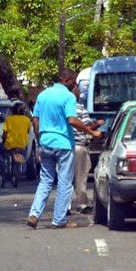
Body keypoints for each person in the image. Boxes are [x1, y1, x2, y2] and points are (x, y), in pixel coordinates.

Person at [27, 69, 102, 229]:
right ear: (67, 80)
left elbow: (35, 121)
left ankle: (34, 214)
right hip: (63, 144)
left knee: (46, 180)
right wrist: (91, 131)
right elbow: (73, 120)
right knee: (64, 182)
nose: (75, 85)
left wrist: (40, 141)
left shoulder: (42, 95)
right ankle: (59, 219)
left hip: (46, 142)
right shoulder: (68, 97)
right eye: (73, 82)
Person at [71, 84, 104, 214]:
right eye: (78, 89)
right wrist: (98, 123)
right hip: (79, 146)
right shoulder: (79, 108)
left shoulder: (60, 107)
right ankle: (82, 204)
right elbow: (87, 126)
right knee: (80, 177)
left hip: (64, 146)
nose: (80, 91)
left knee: (66, 178)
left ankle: (65, 206)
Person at [2, 103, 31, 186]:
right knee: (17, 162)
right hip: (21, 144)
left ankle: (4, 174)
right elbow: (28, 131)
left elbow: (5, 133)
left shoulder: (9, 119)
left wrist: (4, 141)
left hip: (9, 144)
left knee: (4, 158)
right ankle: (16, 177)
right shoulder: (27, 120)